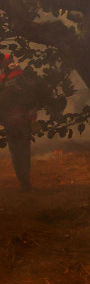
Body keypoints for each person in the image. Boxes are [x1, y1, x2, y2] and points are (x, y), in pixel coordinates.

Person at [0, 52, 35, 192]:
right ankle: (24, 180)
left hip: (16, 120)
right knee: (21, 152)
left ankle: (23, 180)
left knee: (18, 152)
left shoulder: (8, 76)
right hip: (18, 121)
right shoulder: (10, 76)